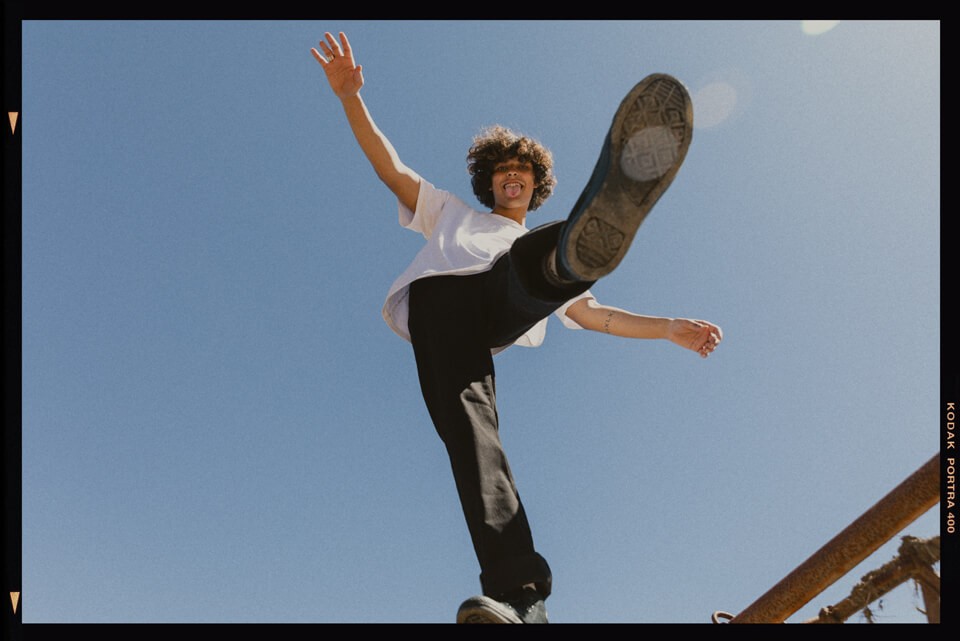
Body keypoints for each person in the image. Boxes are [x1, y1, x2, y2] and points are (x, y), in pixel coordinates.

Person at [311, 31, 722, 624]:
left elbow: (594, 316)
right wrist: (351, 97)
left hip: (510, 297)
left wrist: (667, 327)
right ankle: (523, 605)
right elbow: (388, 166)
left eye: (522, 174)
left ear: (535, 185)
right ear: (489, 181)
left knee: (539, 263)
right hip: (443, 317)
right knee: (475, 446)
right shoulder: (452, 212)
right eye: (503, 171)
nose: (512, 178)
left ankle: (572, 253)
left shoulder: (519, 232)